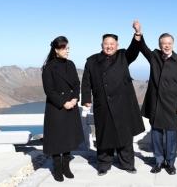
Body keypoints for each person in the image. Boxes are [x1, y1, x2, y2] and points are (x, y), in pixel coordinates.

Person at [81, 21, 145, 176]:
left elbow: (135, 49)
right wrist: (86, 98)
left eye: (112, 44)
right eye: (106, 44)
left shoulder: (123, 55)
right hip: (103, 103)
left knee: (125, 136)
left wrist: (137, 33)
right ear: (102, 45)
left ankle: (128, 164)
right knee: (104, 135)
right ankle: (103, 165)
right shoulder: (92, 60)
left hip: (123, 104)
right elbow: (86, 80)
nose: (109, 46)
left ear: (117, 45)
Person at [137, 21, 177, 175]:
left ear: (173, 44)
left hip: (173, 103)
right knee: (156, 134)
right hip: (156, 103)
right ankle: (159, 161)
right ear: (160, 45)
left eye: (169, 43)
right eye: (164, 43)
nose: (167, 46)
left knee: (172, 135)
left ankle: (170, 163)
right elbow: (142, 47)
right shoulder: (154, 57)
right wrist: (139, 33)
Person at [41, 36, 85, 182]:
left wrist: (74, 99)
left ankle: (66, 166)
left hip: (71, 106)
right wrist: (63, 103)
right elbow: (49, 90)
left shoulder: (71, 65)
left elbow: (76, 84)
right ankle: (57, 167)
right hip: (56, 108)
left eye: (68, 48)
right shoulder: (49, 67)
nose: (67, 51)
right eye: (65, 49)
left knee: (68, 138)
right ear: (56, 50)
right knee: (56, 139)